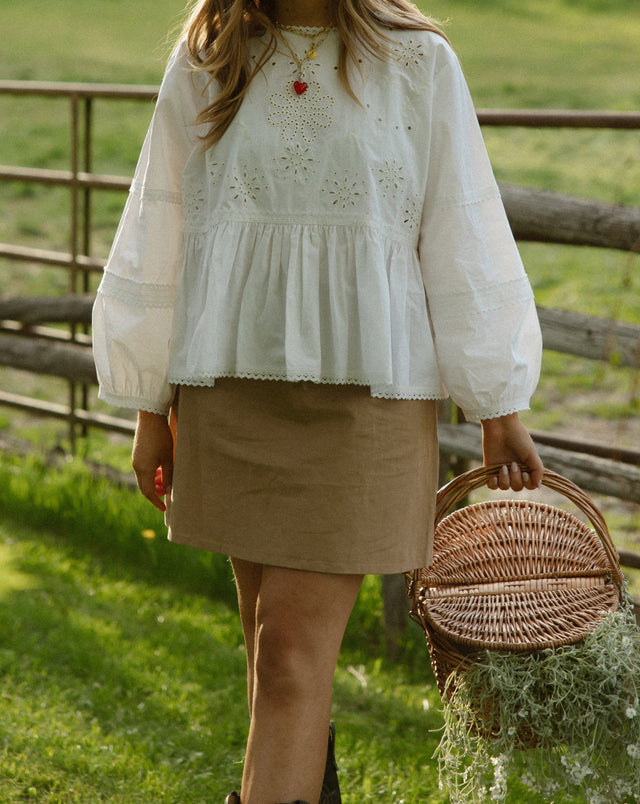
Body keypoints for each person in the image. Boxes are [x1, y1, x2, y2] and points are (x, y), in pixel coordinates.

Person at [92, 0, 544, 801]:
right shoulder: (210, 54)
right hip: (229, 388)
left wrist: (498, 407)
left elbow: (460, 228)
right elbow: (159, 225)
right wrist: (149, 407)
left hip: (369, 400)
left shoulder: (417, 62)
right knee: (271, 657)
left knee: (289, 655)